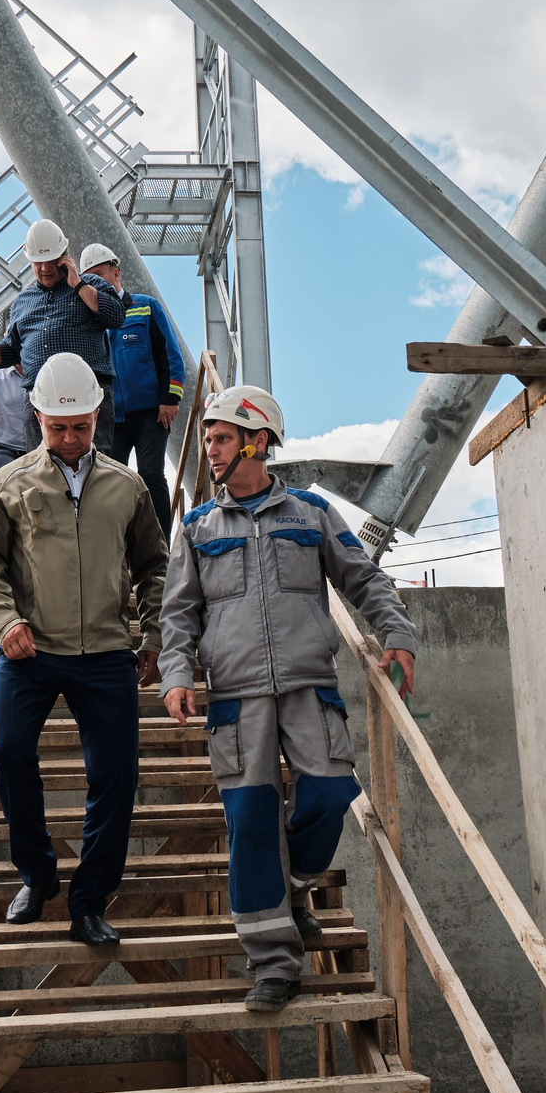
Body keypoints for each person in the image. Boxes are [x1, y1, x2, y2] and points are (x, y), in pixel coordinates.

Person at [158, 384, 418, 1011]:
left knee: (329, 794)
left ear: (258, 441)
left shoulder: (311, 514)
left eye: (222, 438)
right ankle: (273, 963)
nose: (211, 450)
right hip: (235, 697)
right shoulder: (196, 528)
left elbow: (363, 577)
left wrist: (397, 633)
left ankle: (293, 887)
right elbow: (178, 615)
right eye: (209, 439)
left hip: (308, 685)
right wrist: (176, 674)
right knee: (251, 823)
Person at [0, 352, 170, 948]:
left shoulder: (127, 487)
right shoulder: (6, 485)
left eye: (81, 426)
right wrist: (4, 621)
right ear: (37, 418)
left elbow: (155, 567)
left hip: (106, 651)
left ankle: (88, 902)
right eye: (58, 428)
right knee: (6, 751)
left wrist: (154, 635)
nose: (71, 438)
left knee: (116, 776)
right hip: (29, 650)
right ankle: (37, 874)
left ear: (97, 415)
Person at [0, 218, 124, 453]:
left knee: (93, 464)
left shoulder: (91, 284)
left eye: (51, 261)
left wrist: (77, 284)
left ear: (65, 257)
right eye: (38, 262)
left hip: (89, 393)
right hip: (40, 399)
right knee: (42, 468)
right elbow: (12, 351)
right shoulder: (23, 302)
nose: (45, 268)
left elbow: (115, 316)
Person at [83, 243, 191, 537]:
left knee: (151, 474)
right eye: (88, 277)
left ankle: (160, 546)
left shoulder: (146, 306)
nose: (95, 282)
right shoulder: (88, 320)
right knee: (110, 481)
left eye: (99, 274)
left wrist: (170, 398)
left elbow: (170, 354)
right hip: (110, 418)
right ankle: (119, 546)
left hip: (150, 414)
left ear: (116, 274)